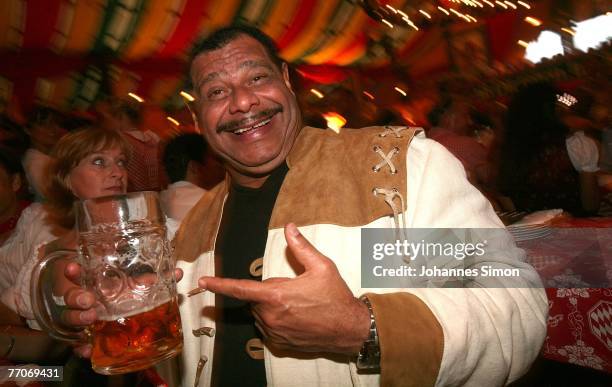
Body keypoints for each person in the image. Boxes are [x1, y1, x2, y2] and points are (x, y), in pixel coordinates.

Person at [59, 26, 547, 386]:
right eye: (216, 92)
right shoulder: (192, 229)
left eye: (256, 77)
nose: (243, 102)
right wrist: (129, 338)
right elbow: (193, 360)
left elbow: (515, 307)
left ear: (288, 82)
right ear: (198, 118)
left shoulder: (393, 173)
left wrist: (364, 328)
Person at [498, 83, 600, 216]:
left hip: (535, 234)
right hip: (576, 230)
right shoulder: (577, 145)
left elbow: (511, 208)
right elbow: (590, 205)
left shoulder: (506, 153)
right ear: (552, 110)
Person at [96, 98, 166, 192]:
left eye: (107, 118)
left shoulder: (120, 142)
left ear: (120, 118)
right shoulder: (154, 140)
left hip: (133, 199)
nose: (104, 123)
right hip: (155, 197)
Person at [160, 133, 225, 221]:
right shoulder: (212, 203)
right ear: (194, 167)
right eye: (216, 160)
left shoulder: (160, 200)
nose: (221, 166)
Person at [22, 106, 67, 201]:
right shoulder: (35, 162)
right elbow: (54, 198)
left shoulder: (54, 154)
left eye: (56, 124)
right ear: (28, 130)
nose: (53, 129)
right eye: (44, 125)